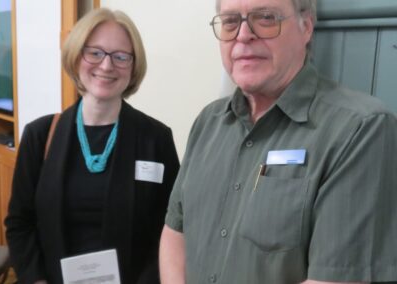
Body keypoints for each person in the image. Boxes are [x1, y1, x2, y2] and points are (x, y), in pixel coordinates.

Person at [159, 0, 397, 283]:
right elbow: (175, 233)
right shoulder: (208, 122)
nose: (243, 34)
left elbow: (334, 279)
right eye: (231, 21)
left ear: (305, 27)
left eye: (266, 18)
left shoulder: (359, 129)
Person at [5, 8, 179, 284]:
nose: (107, 66)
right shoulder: (39, 137)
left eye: (121, 56)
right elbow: (19, 224)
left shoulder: (155, 139)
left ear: (133, 67)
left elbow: (170, 229)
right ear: (76, 58)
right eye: (95, 53)